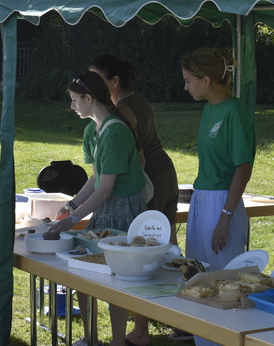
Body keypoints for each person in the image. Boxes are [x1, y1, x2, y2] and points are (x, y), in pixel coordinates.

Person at [48, 71, 147, 346]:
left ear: (89, 98)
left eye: (74, 99)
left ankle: (117, 341)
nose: (72, 105)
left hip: (125, 210)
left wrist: (73, 219)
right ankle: (90, 338)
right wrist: (70, 205)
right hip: (105, 209)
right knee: (84, 271)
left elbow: (106, 189)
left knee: (118, 278)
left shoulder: (115, 131)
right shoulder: (92, 130)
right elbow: (95, 178)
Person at [89, 55, 179, 346]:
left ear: (114, 82)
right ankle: (168, 320)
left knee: (146, 255)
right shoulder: (135, 99)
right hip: (163, 176)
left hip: (149, 183)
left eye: (97, 79)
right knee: (166, 251)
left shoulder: (123, 110)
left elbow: (135, 157)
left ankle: (141, 330)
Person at [180, 48, 256, 346]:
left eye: (188, 80)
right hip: (202, 198)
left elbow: (243, 168)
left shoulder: (235, 111)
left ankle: (228, 338)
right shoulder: (209, 109)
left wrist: (225, 216)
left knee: (225, 281)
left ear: (206, 80)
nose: (185, 87)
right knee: (199, 275)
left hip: (223, 202)